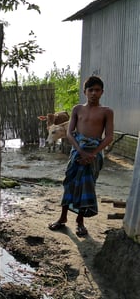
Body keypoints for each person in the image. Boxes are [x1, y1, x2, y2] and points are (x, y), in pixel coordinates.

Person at [48, 76, 114, 237]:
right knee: (69, 183)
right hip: (77, 152)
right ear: (85, 92)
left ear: (102, 92)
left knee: (87, 187)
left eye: (97, 90)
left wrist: (92, 153)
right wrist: (81, 151)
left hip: (94, 155)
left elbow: (109, 136)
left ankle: (80, 222)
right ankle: (62, 218)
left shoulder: (106, 112)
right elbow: (70, 133)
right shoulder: (77, 109)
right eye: (90, 90)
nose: (93, 93)